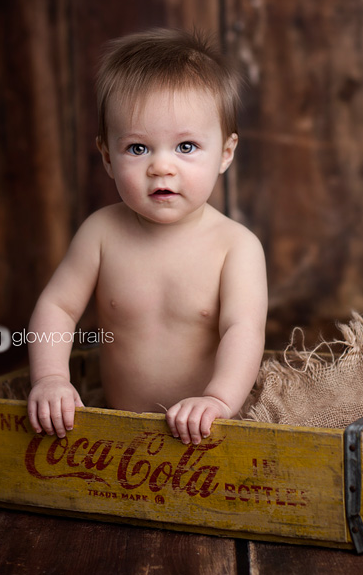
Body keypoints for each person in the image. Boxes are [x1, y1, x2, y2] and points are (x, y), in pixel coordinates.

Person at [26, 28, 268, 445]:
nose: (161, 167)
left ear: (225, 153)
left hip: (210, 435)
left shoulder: (236, 246)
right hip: (116, 434)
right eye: (138, 149)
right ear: (107, 156)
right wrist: (50, 379)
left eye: (186, 146)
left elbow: (243, 331)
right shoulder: (100, 233)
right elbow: (58, 307)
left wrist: (218, 399)